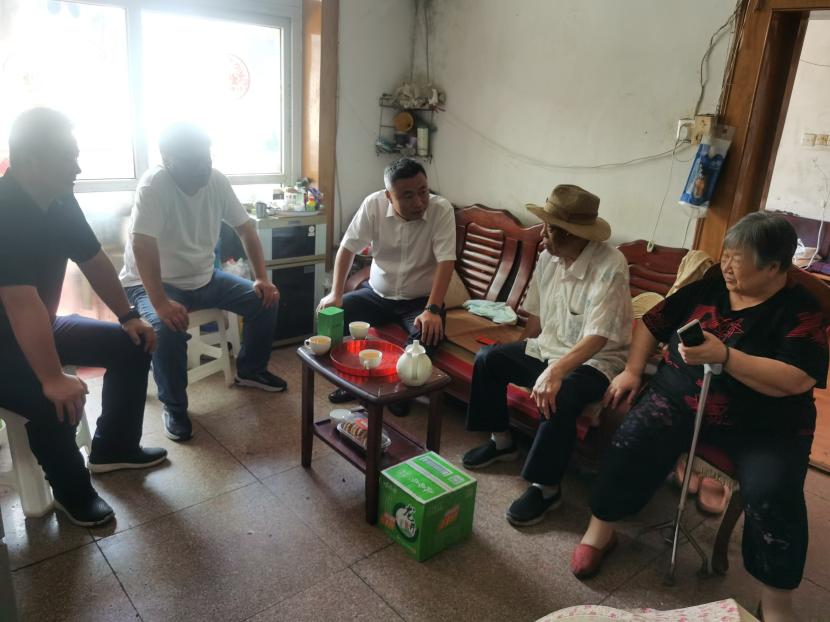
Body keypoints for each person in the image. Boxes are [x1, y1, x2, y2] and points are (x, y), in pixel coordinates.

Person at [573, 212, 827, 622]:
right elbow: (652, 323)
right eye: (726, 254)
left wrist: (726, 356)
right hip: (679, 400)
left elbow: (797, 379)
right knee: (631, 440)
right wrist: (633, 370)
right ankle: (600, 532)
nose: (726, 265)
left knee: (775, 492)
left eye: (738, 258)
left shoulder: (801, 312)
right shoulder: (709, 288)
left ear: (774, 267)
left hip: (766, 427)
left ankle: (776, 601)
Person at [0, 108, 167, 527]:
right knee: (50, 396)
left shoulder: (59, 198)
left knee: (131, 343)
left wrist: (128, 315)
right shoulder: (4, 210)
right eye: (67, 158)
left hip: (39, 324)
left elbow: (93, 259)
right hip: (3, 342)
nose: (78, 167)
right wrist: (52, 376)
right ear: (31, 161)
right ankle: (73, 493)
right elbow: (21, 304)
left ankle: (114, 448)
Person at [462, 185, 633, 526]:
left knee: (561, 394)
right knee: (489, 359)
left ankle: (546, 488)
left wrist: (554, 373)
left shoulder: (610, 266)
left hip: (595, 360)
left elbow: (598, 337)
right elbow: (537, 317)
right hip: (548, 348)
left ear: (574, 234)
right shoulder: (548, 257)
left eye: (550, 229)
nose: (542, 235)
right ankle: (502, 442)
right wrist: (515, 350)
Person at [120, 123, 284, 442]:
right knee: (165, 328)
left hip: (204, 277)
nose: (202, 167)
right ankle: (175, 407)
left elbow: (246, 229)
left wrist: (262, 278)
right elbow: (142, 244)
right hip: (154, 282)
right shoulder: (154, 185)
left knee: (265, 300)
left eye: (206, 158)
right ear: (167, 158)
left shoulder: (216, 181)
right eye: (191, 161)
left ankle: (250, 370)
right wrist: (160, 303)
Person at [317, 158, 455, 416]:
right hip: (377, 295)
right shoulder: (373, 205)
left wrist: (433, 309)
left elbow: (446, 261)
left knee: (426, 336)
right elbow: (348, 248)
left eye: (423, 191)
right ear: (389, 196)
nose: (419, 202)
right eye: (408, 195)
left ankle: (399, 391)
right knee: (335, 314)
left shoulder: (441, 209)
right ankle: (351, 380)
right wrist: (335, 293)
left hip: (420, 301)